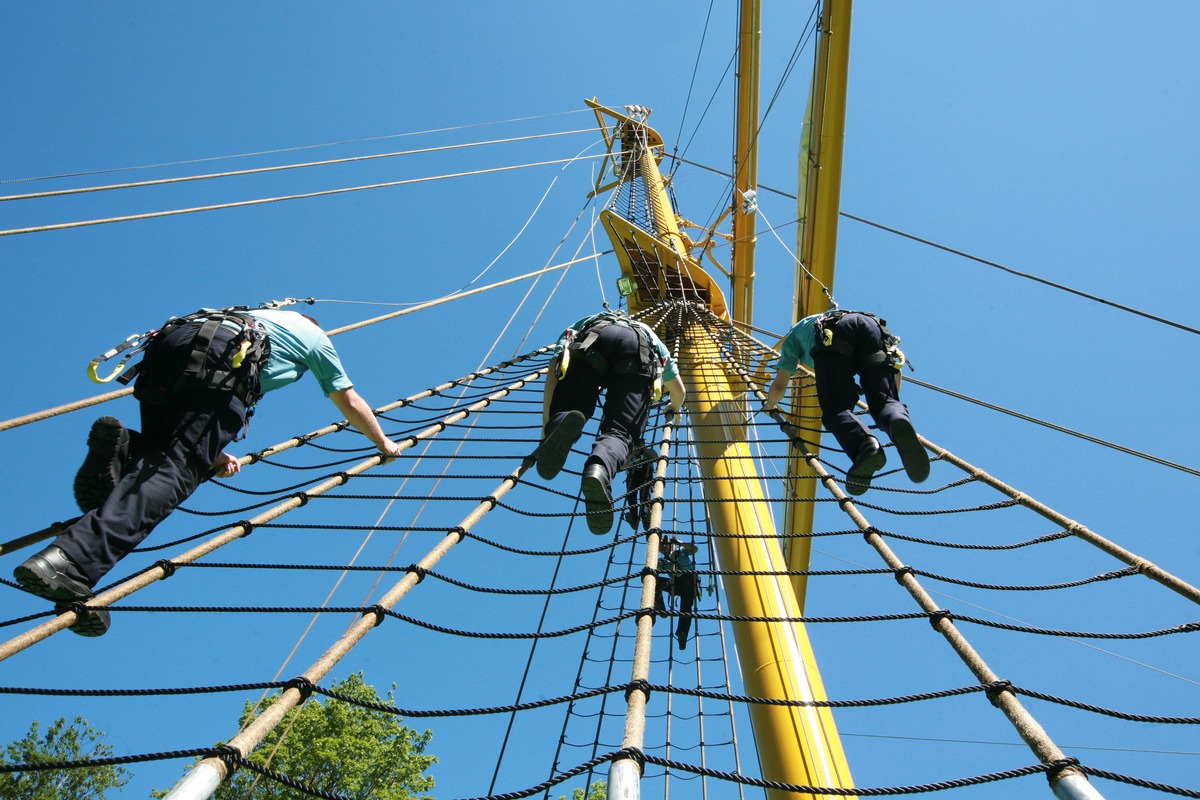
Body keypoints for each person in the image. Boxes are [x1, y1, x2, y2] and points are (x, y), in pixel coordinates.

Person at [13, 307, 403, 637]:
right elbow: (348, 398)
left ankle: (125, 448)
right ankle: (70, 562)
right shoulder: (315, 338)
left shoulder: (256, 314)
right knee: (178, 472)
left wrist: (213, 450)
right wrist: (383, 443)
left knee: (160, 459)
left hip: (172, 350)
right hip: (220, 364)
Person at [536, 309, 686, 535]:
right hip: (638, 352)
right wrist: (675, 407)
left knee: (570, 404)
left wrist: (547, 427)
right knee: (621, 432)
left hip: (593, 341)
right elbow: (679, 390)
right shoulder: (650, 334)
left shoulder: (585, 320)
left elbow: (554, 370)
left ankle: (563, 420)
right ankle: (599, 468)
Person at [763, 308, 928, 495]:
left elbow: (779, 386)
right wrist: (890, 408)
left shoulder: (793, 337)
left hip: (834, 334)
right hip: (873, 327)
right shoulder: (830, 315)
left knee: (836, 408)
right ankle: (898, 421)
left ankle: (866, 447)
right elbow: (895, 371)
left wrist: (770, 405)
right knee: (886, 402)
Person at [655, 536, 699, 650]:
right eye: (660, 546)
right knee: (655, 580)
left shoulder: (680, 551)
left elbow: (694, 549)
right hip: (677, 584)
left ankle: (682, 633)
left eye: (665, 544)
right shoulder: (663, 562)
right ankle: (660, 606)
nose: (663, 547)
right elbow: (657, 568)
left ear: (670, 544)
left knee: (686, 607)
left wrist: (679, 542)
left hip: (689, 581)